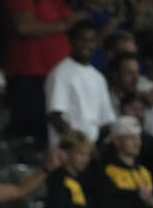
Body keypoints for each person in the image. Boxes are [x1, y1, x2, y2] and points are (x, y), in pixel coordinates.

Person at [3, 0, 82, 141]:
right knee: (28, 135)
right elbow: (23, 26)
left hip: (54, 79)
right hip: (29, 77)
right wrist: (63, 25)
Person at [44, 20, 116, 148]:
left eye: (91, 40)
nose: (86, 45)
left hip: (91, 150)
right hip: (67, 151)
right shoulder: (61, 73)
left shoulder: (98, 77)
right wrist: (82, 146)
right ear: (71, 41)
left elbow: (106, 121)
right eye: (81, 40)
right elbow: (56, 117)